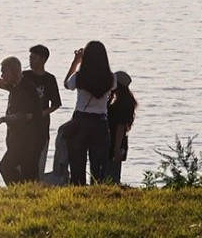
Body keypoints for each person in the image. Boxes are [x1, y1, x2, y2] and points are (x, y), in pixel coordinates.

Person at [0, 56, 46, 184]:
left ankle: (27, 194)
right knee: (7, 167)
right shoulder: (15, 85)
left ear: (15, 72)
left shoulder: (26, 88)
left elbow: (26, 115)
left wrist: (1, 119)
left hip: (31, 139)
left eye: (4, 72)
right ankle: (20, 192)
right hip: (20, 138)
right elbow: (4, 85)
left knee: (27, 172)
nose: (2, 75)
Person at [64, 41, 116, 185]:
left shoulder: (79, 76)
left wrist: (75, 62)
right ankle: (97, 190)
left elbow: (67, 84)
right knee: (98, 166)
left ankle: (78, 189)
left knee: (77, 163)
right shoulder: (111, 78)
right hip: (100, 122)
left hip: (80, 121)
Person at [23, 44, 62, 177]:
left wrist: (40, 115)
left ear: (43, 59)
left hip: (41, 128)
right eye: (30, 58)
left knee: (38, 164)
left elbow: (56, 103)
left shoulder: (49, 79)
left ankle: (36, 187)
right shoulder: (24, 76)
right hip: (23, 126)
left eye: (34, 58)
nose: (31, 61)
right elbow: (8, 84)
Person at [106, 70, 138, 184]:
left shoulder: (121, 104)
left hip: (115, 142)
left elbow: (120, 127)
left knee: (110, 176)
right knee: (112, 174)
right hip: (118, 142)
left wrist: (116, 149)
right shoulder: (123, 101)